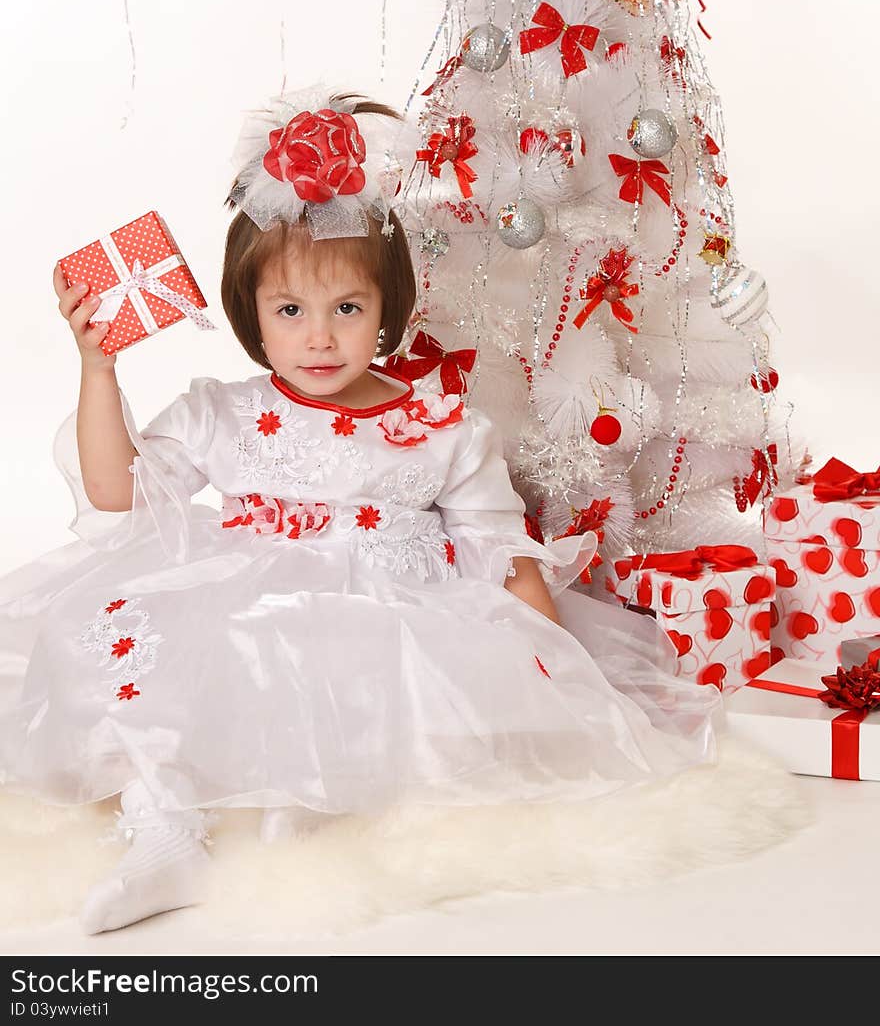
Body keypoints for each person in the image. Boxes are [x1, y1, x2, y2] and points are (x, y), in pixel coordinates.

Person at [0, 86, 721, 936]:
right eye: (289, 311)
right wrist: (98, 371)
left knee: (341, 678)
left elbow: (502, 548)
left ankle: (296, 814)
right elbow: (119, 492)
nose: (318, 338)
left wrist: (554, 663)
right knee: (146, 639)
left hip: (387, 617)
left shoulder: (440, 426)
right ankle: (166, 830)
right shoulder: (221, 412)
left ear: (387, 311)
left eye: (347, 309)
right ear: (251, 315)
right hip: (244, 597)